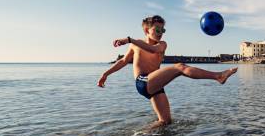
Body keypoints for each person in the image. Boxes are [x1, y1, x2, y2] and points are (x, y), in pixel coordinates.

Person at [97, 15, 237, 128]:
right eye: (157, 30)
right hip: (143, 81)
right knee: (179, 67)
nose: (160, 33)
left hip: (156, 86)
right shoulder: (135, 45)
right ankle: (218, 76)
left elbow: (153, 49)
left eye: (162, 30)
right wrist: (105, 74)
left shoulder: (162, 45)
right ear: (147, 31)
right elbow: (123, 61)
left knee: (164, 122)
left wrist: (128, 39)